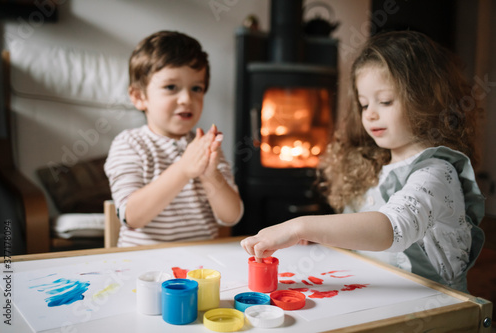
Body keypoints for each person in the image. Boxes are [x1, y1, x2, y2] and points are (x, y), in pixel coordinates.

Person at [241, 30, 485, 293]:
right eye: (364, 104)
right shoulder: (375, 164)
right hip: (380, 293)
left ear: (425, 99)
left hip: (436, 307)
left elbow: (391, 228)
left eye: (384, 101)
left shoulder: (436, 173)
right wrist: (322, 238)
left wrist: (300, 227)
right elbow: (363, 240)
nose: (370, 115)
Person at [105, 30, 243, 247]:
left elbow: (231, 216)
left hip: (199, 267)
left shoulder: (205, 147)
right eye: (171, 87)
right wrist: (184, 169)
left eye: (196, 88)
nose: (187, 99)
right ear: (139, 97)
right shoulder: (129, 144)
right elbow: (132, 216)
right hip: (143, 267)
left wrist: (210, 174)